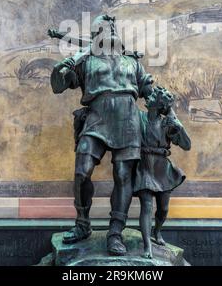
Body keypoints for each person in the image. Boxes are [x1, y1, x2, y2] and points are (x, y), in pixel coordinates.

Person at [48, 14, 153, 255]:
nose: (111, 31)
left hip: (128, 122)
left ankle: (115, 233)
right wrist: (68, 62)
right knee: (81, 172)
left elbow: (149, 92)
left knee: (123, 175)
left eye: (113, 27)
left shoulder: (133, 62)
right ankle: (82, 224)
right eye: (105, 29)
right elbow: (58, 86)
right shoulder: (86, 62)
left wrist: (167, 115)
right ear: (97, 36)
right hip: (96, 118)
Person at [133, 86, 191, 259]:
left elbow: (187, 145)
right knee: (147, 207)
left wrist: (174, 118)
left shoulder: (166, 123)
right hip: (144, 166)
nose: (148, 97)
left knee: (163, 209)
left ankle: (157, 232)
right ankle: (147, 245)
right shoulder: (139, 117)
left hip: (162, 168)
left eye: (154, 96)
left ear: (160, 104)